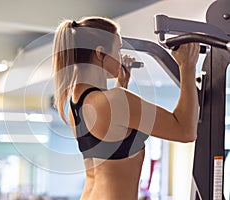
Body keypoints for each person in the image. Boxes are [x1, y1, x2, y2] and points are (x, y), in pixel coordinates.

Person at [52, 16, 200, 200]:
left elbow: (111, 134)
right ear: (100, 53)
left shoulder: (76, 104)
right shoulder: (115, 101)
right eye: (118, 49)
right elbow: (185, 131)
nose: (120, 56)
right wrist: (187, 67)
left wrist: (122, 82)